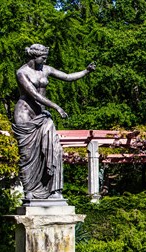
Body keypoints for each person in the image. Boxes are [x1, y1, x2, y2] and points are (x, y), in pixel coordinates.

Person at [13, 44, 95, 200]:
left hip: (42, 115)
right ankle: (29, 191)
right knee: (28, 155)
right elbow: (34, 95)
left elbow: (67, 77)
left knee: (54, 148)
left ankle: (53, 190)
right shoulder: (21, 72)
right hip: (25, 115)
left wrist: (86, 71)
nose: (45, 60)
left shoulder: (46, 69)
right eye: (43, 57)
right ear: (34, 56)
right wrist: (56, 107)